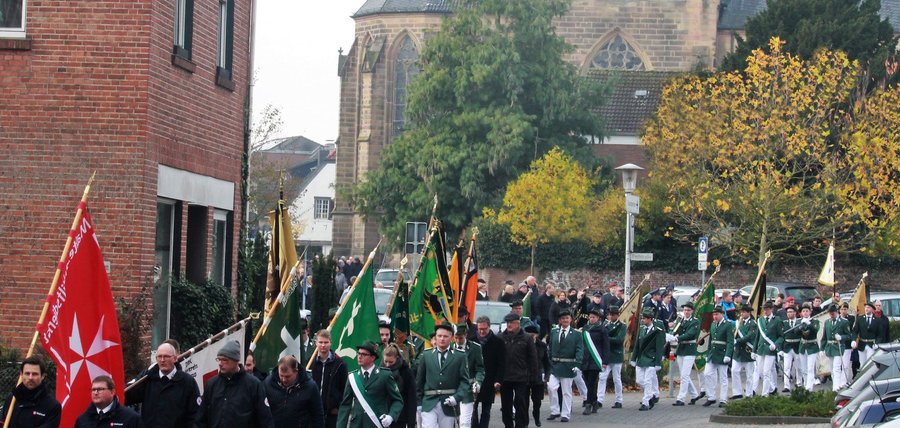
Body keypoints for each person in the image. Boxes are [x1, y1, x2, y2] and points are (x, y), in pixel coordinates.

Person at [197, 340, 273, 428]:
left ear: (236, 361)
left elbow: (266, 420)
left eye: (225, 360)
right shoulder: (211, 384)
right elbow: (200, 419)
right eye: (219, 359)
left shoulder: (254, 385)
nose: (220, 363)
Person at [124, 342, 200, 427]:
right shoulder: (147, 378)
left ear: (175, 358)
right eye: (159, 357)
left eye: (166, 356)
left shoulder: (187, 382)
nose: (162, 360)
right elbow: (126, 396)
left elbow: (195, 415)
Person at [337, 341, 403, 428]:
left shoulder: (384, 375)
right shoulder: (352, 377)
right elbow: (345, 405)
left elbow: (398, 400)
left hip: (376, 423)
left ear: (373, 357)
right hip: (357, 424)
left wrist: (391, 416)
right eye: (359, 353)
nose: (360, 356)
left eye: (364, 354)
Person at [416, 323, 470, 428]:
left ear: (452, 338)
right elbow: (419, 381)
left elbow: (464, 381)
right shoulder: (426, 355)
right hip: (429, 402)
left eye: (445, 336)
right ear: (435, 337)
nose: (442, 339)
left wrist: (456, 397)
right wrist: (418, 403)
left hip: (448, 402)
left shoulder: (460, 356)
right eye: (439, 336)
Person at [499, 312, 539, 428]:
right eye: (507, 322)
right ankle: (508, 425)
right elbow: (496, 358)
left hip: (521, 377)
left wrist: (533, 376)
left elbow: (533, 358)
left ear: (518, 323)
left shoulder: (527, 338)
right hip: (505, 378)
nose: (509, 325)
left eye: (511, 323)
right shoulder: (500, 337)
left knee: (520, 404)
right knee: (506, 406)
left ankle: (520, 425)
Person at [264, 355, 324, 428]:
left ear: (296, 372)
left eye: (287, 376)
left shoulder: (310, 387)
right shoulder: (268, 384)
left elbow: (317, 415)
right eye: (281, 375)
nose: (284, 379)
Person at [1, 356, 60, 428]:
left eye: (35, 374)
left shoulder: (52, 406)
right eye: (27, 373)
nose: (30, 378)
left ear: (43, 376)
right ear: (21, 374)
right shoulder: (12, 399)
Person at [546, 309, 583, 422]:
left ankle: (565, 414)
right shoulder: (554, 331)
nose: (565, 320)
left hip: (568, 365)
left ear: (571, 320)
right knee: (551, 387)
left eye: (567, 318)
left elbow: (579, 349)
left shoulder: (576, 334)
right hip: (555, 365)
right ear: (559, 320)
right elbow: (550, 347)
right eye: (563, 318)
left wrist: (577, 363)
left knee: (566, 391)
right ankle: (555, 410)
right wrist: (549, 360)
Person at [310, 329, 348, 428]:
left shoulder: (340, 364)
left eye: (326, 342)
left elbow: (344, 388)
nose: (323, 345)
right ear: (316, 343)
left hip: (332, 412)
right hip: (312, 410)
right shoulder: (310, 362)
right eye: (320, 342)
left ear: (330, 342)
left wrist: (337, 406)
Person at [472, 316, 505, 428]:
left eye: (484, 329)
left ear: (489, 327)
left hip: (490, 380)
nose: (482, 331)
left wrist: (498, 380)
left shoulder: (498, 342)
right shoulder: (471, 341)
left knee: (486, 409)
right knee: (472, 408)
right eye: (479, 328)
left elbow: (502, 364)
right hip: (474, 379)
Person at [667, 302, 701, 406]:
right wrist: (671, 335)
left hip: (690, 350)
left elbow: (690, 334)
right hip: (681, 349)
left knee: (685, 375)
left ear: (692, 311)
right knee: (684, 375)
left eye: (688, 310)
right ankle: (694, 395)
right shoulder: (680, 320)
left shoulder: (695, 321)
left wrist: (677, 338)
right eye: (685, 310)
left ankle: (681, 398)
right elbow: (674, 330)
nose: (686, 312)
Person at [631, 308, 665, 411]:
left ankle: (645, 403)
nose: (642, 320)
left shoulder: (657, 331)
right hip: (641, 358)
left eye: (644, 318)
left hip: (651, 359)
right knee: (639, 380)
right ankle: (650, 396)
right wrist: (634, 358)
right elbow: (637, 344)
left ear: (650, 319)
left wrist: (658, 362)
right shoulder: (641, 329)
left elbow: (659, 347)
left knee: (648, 381)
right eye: (642, 318)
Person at [75, 375, 141, 428]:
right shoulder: (82, 420)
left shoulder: (131, 418)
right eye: (93, 389)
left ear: (112, 392)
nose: (95, 393)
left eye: (100, 389)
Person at [453, 324, 484, 428]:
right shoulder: (449, 348)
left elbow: (480, 368)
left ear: (466, 335)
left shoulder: (475, 348)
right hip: (452, 389)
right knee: (453, 422)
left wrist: (478, 382)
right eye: (455, 337)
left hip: (467, 389)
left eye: (460, 338)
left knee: (464, 422)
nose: (458, 340)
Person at [702, 306, 734, 408]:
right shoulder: (713, 324)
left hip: (722, 353)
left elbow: (730, 341)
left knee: (723, 377)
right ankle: (711, 397)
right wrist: (707, 354)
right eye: (714, 314)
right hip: (713, 353)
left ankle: (723, 399)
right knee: (707, 374)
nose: (715, 316)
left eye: (717, 314)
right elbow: (710, 340)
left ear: (722, 314)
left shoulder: (728, 325)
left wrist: (728, 355)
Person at [580, 309, 610, 415]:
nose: (592, 319)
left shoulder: (602, 330)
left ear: (598, 318)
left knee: (591, 382)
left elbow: (606, 346)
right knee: (588, 383)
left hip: (596, 360)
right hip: (585, 359)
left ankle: (588, 404)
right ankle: (595, 401)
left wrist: (605, 361)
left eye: (594, 317)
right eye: (590, 317)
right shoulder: (585, 328)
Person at [750, 301, 783, 397]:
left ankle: (765, 394)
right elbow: (758, 337)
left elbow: (781, 336)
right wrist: (754, 350)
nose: (765, 311)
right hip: (761, 349)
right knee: (760, 372)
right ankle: (772, 388)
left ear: (771, 309)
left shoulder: (777, 320)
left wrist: (776, 345)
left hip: (770, 350)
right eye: (764, 309)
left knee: (766, 372)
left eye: (767, 309)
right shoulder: (760, 320)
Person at [381, 344, 416, 428]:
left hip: (400, 416)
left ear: (397, 358)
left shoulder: (406, 372)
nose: (388, 365)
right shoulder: (379, 370)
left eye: (391, 362)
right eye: (385, 361)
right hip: (382, 415)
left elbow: (411, 397)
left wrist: (411, 422)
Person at [597, 306, 625, 409]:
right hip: (607, 355)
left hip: (616, 355)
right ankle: (599, 400)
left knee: (616, 379)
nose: (610, 316)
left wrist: (606, 338)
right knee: (602, 377)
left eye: (613, 314)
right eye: (609, 314)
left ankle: (619, 400)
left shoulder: (622, 326)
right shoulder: (605, 324)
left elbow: (619, 339)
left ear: (617, 315)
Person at [822, 304, 851, 391]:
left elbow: (849, 335)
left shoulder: (844, 322)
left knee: (837, 367)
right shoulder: (827, 322)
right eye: (830, 313)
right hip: (830, 347)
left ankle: (836, 387)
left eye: (833, 313)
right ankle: (836, 383)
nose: (831, 315)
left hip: (838, 347)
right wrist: (822, 348)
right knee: (832, 368)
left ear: (836, 312)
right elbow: (824, 337)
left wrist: (841, 337)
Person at [730, 305, 757, 399]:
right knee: (734, 371)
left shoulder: (753, 323)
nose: (742, 314)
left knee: (749, 374)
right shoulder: (739, 323)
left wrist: (737, 341)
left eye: (744, 312)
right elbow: (734, 333)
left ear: (749, 313)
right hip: (738, 352)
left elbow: (749, 336)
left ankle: (749, 393)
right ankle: (737, 392)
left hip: (747, 351)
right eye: (741, 312)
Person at [524, 324, 548, 427]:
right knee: (524, 402)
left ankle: (536, 415)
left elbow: (547, 362)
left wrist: (547, 375)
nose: (531, 336)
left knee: (537, 401)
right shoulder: (522, 344)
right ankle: (525, 421)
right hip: (524, 376)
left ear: (536, 335)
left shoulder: (542, 346)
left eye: (533, 335)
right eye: (528, 334)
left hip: (538, 376)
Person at [798, 304, 820, 391]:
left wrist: (809, 324)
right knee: (803, 368)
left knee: (810, 368)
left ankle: (809, 387)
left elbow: (815, 330)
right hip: (803, 347)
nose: (805, 313)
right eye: (803, 311)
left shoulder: (814, 321)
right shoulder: (799, 321)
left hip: (812, 347)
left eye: (807, 311)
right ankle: (806, 383)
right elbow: (796, 332)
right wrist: (800, 327)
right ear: (801, 313)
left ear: (810, 312)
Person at [780, 305, 802, 392]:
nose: (789, 313)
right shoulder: (784, 323)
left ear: (795, 313)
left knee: (798, 367)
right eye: (788, 312)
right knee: (786, 367)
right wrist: (780, 349)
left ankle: (799, 383)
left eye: (791, 312)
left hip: (797, 345)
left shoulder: (800, 322)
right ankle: (786, 386)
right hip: (787, 346)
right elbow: (781, 336)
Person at [852, 302, 880, 366]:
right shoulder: (860, 319)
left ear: (873, 309)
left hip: (871, 345)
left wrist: (877, 343)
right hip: (862, 345)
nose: (866, 309)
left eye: (868, 307)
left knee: (869, 363)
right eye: (866, 307)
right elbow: (855, 331)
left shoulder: (877, 320)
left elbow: (880, 334)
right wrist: (853, 340)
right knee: (862, 363)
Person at [839, 303, 855, 383]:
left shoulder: (851, 318)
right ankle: (838, 380)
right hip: (838, 344)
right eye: (841, 309)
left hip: (847, 344)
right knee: (838, 365)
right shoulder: (837, 319)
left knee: (846, 364)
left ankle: (844, 381)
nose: (843, 311)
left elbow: (851, 329)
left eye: (845, 309)